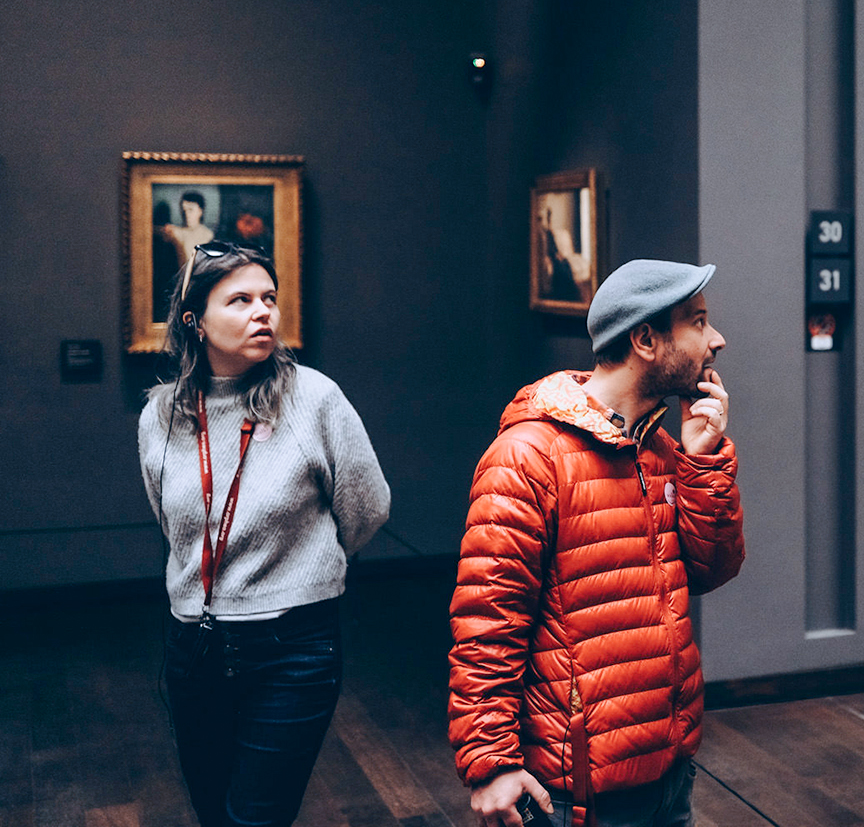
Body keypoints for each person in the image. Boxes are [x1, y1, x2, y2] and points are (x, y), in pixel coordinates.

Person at [449, 259, 744, 827]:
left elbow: (711, 570)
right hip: (575, 791)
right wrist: (489, 764)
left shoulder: (657, 447)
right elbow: (488, 620)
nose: (717, 340)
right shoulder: (527, 457)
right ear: (646, 340)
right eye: (700, 322)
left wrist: (703, 459)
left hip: (667, 773)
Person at [138, 242, 391, 826]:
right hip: (193, 649)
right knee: (213, 812)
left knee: (255, 818)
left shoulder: (314, 399)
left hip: (294, 648)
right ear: (194, 322)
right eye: (241, 300)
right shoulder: (162, 415)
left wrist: (304, 563)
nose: (264, 313)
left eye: (270, 299)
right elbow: (173, 522)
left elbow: (367, 508)